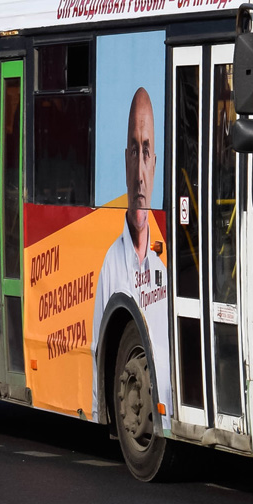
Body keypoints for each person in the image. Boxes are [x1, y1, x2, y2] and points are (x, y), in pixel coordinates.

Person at [91, 87, 172, 424]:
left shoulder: (164, 263)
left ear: (155, 163)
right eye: (135, 151)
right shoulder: (110, 264)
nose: (139, 172)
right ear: (126, 158)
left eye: (148, 152)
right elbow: (97, 360)